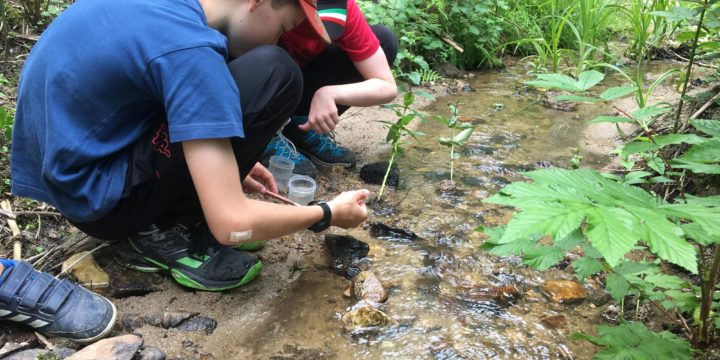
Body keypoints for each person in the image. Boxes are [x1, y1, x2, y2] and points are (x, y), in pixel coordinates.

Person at [2, 0, 369, 343]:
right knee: (276, 71)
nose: (279, 39)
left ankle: (178, 203)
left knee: (265, 67)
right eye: (283, 26)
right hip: (104, 203)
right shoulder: (191, 51)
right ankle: (158, 234)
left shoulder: (169, 11)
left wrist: (226, 167)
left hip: (76, 169)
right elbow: (231, 223)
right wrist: (327, 213)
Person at [261, 0, 398, 178]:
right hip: (261, 79)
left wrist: (329, 93)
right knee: (273, 58)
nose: (315, 30)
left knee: (383, 40)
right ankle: (264, 136)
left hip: (299, 83)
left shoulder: (343, 8)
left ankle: (302, 127)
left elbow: (386, 86)